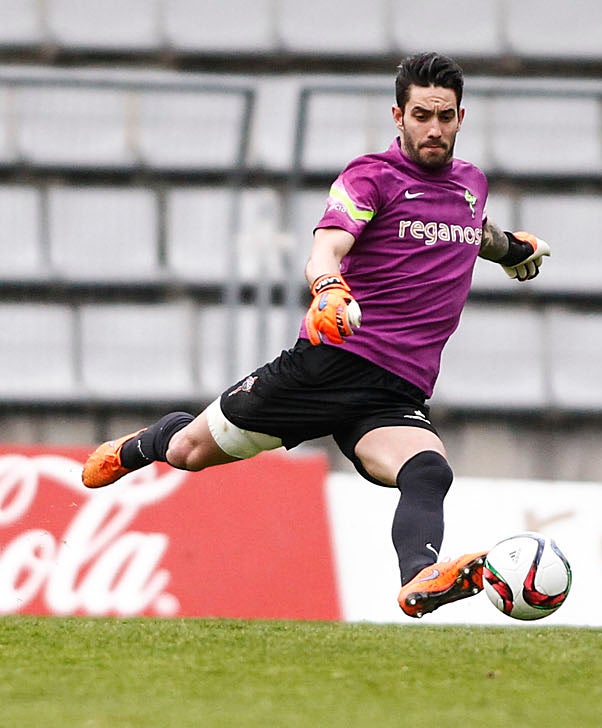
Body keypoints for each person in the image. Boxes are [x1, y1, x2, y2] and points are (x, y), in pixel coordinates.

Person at [79, 52, 552, 620]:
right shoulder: (370, 176)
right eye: (421, 114)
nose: (434, 128)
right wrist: (328, 287)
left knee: (429, 470)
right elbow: (326, 246)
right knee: (189, 451)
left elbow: (473, 231)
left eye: (445, 116)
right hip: (328, 366)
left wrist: (513, 250)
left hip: (396, 391)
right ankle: (137, 448)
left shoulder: (471, 184)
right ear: (397, 115)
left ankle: (420, 579)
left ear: (461, 116)